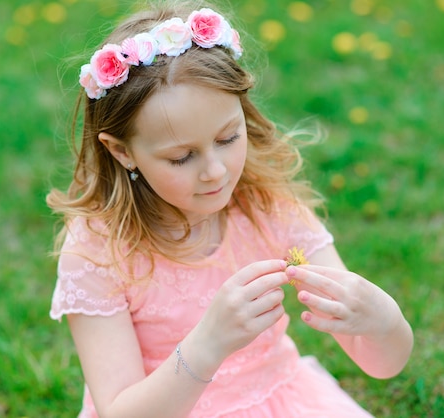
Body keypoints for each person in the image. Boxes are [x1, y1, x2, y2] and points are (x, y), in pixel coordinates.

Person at [47, 1, 413, 417]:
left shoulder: (267, 207)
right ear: (122, 151)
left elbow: (381, 364)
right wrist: (207, 345)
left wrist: (384, 322)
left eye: (227, 138)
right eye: (182, 157)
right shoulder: (97, 252)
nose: (216, 172)